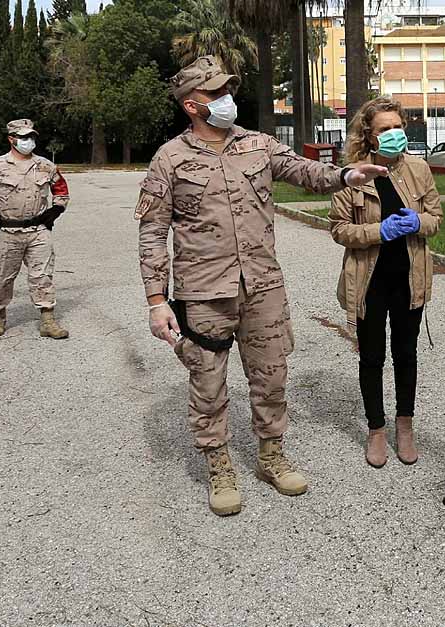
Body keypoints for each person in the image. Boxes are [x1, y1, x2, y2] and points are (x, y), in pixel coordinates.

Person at [135, 56, 388, 516]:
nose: (227, 99)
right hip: (203, 295)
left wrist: (346, 175)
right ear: (192, 105)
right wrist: (157, 302)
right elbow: (152, 232)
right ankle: (219, 466)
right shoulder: (170, 158)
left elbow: (306, 173)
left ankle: (271, 456)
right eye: (216, 94)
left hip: (263, 289)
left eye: (228, 91)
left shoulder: (257, 145)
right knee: (208, 384)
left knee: (271, 378)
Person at [328, 98, 443, 468]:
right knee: (373, 357)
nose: (394, 134)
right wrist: (380, 230)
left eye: (398, 127)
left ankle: (404, 425)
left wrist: (419, 222)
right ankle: (376, 429)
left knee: (406, 354)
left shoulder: (419, 169)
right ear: (369, 136)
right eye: (385, 129)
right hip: (369, 281)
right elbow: (339, 229)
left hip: (409, 279)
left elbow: (436, 216)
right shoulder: (353, 176)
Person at [0, 119, 70, 340]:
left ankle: (47, 319)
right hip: (6, 232)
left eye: (31, 137)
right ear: (11, 139)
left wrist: (56, 210)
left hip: (38, 231)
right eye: (23, 138)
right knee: (3, 277)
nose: (28, 141)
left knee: (43, 275)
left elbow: (61, 190)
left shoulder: (45, 166)